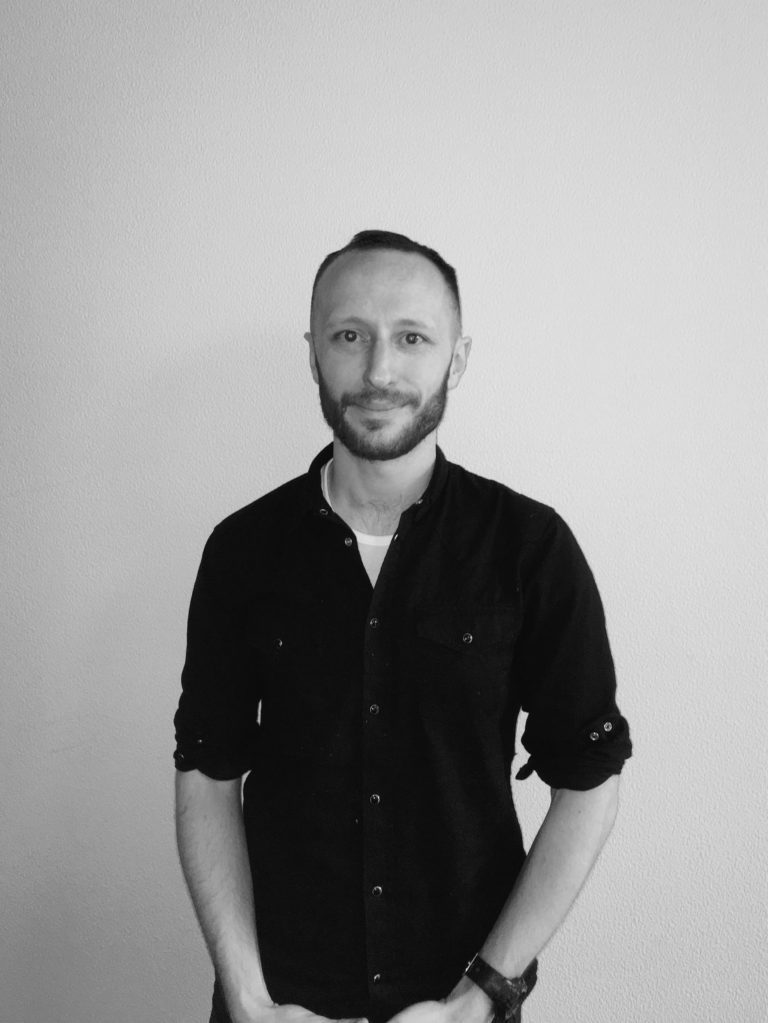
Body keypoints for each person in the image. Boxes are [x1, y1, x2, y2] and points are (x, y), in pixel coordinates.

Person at [173, 230, 632, 1023]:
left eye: (411, 338)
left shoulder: (529, 549)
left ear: (457, 358)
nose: (379, 371)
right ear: (313, 354)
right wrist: (247, 998)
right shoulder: (243, 550)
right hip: (278, 1002)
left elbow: (590, 778)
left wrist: (482, 995)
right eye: (349, 336)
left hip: (457, 1001)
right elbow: (206, 772)